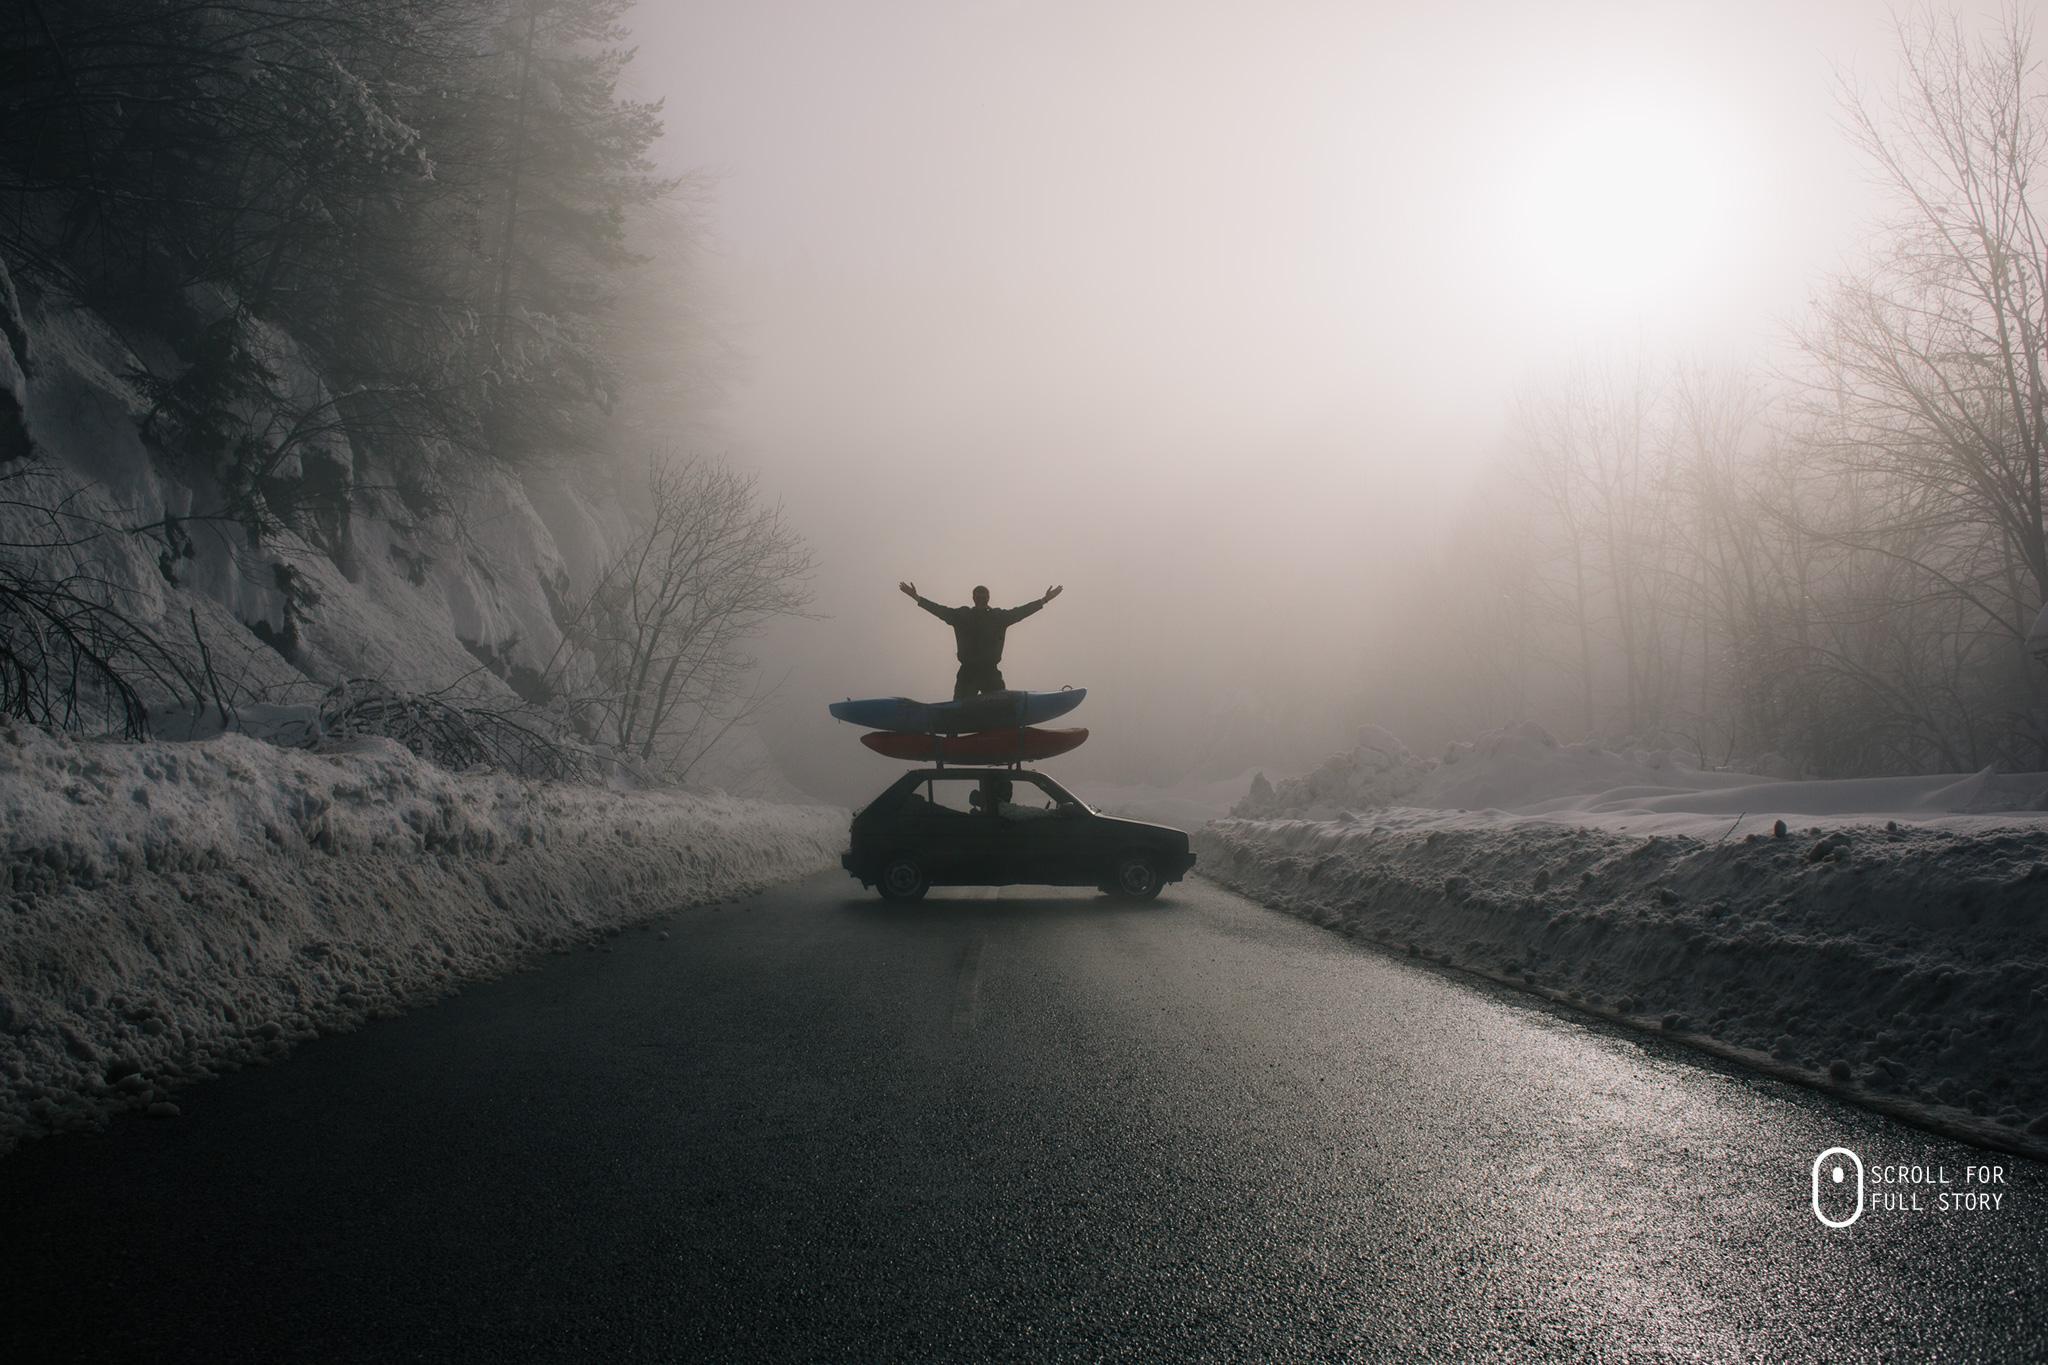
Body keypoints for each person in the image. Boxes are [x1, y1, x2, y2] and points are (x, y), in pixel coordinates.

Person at [899, 580, 1062, 700]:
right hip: (968, 672)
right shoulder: (962, 616)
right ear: (973, 597)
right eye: (978, 594)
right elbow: (939, 610)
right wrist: (917, 598)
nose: (981, 597)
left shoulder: (998, 617)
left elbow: (1020, 612)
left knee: (1000, 705)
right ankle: (952, 736)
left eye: (983, 594)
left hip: (990, 672)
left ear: (988, 597)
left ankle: (1002, 734)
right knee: (959, 709)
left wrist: (1044, 600)